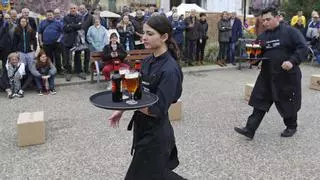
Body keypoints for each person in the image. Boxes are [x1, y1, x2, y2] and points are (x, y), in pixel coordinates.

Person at [107, 15, 185, 180]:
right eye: (144, 33)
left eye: (150, 34)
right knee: (157, 175)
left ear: (164, 37)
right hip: (142, 128)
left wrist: (129, 105)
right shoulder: (148, 60)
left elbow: (157, 109)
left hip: (156, 136)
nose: (144, 37)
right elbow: (137, 90)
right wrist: (121, 110)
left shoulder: (170, 70)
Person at [234, 7, 308, 139]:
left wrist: (292, 61)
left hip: (287, 75)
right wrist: (252, 60)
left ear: (277, 17)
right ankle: (250, 129)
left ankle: (291, 126)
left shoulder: (291, 32)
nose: (265, 23)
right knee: (259, 101)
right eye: (263, 21)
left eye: (268, 19)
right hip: (267, 75)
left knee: (288, 102)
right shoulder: (262, 37)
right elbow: (256, 55)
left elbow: (303, 47)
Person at [38, 10, 64, 74]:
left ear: (53, 15)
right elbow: (39, 33)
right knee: (49, 57)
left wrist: (59, 39)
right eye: (48, 15)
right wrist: (40, 41)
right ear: (46, 16)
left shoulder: (58, 23)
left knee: (57, 57)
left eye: (51, 15)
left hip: (56, 43)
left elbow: (62, 32)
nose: (49, 16)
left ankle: (59, 70)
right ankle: (51, 70)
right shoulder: (42, 22)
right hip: (46, 43)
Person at [63, 4, 83, 81]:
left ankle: (78, 71)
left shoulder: (80, 17)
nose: (73, 9)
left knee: (78, 56)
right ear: (69, 9)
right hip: (68, 40)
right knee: (68, 58)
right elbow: (65, 28)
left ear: (76, 9)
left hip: (77, 40)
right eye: (71, 8)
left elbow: (81, 26)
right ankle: (69, 72)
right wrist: (76, 26)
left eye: (74, 8)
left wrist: (70, 25)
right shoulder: (65, 17)